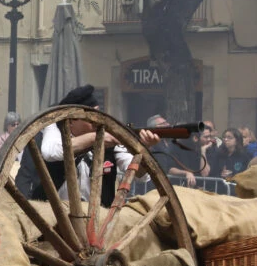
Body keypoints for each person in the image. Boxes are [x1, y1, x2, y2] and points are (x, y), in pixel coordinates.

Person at [14, 85, 160, 206]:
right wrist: (95, 138)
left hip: (98, 226)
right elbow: (51, 152)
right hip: (53, 221)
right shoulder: (51, 131)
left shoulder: (109, 139)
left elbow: (139, 174)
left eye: (99, 115)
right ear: (71, 120)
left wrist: (145, 149)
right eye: (91, 118)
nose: (98, 122)